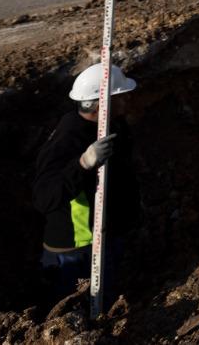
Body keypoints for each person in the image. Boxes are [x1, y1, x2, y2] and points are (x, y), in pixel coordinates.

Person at [33, 62, 141, 304]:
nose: (128, 100)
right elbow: (45, 198)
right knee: (72, 309)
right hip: (75, 249)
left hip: (106, 235)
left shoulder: (114, 126)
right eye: (120, 96)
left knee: (108, 301)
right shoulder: (68, 138)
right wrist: (82, 164)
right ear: (101, 104)